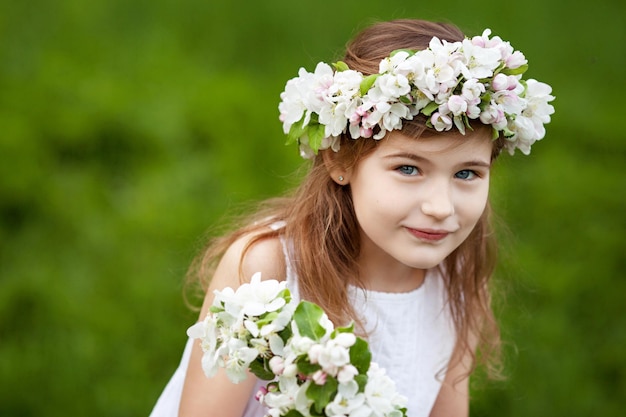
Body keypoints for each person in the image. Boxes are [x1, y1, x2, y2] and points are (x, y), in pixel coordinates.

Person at [150, 18, 554, 417]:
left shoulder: (456, 280)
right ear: (339, 159)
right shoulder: (266, 269)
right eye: (409, 169)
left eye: (466, 173)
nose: (441, 207)